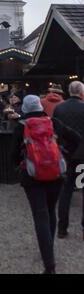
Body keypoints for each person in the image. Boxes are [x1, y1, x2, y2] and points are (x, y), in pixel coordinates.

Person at [12, 94, 81, 274]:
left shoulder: (20, 126)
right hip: (56, 174)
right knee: (50, 210)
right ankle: (48, 249)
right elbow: (77, 138)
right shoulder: (54, 122)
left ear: (26, 107)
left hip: (32, 176)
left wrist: (20, 165)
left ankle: (49, 263)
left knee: (40, 215)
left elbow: (13, 155)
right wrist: (63, 153)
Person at [53, 81, 84, 240]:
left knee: (65, 193)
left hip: (65, 155)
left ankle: (62, 229)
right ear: (81, 92)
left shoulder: (59, 108)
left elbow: (56, 132)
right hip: (82, 156)